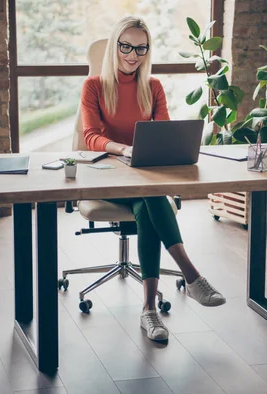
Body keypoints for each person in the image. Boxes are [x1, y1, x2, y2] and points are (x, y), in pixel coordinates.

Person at [80, 16, 225, 342]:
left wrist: (150, 152)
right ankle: (191, 276)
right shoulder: (94, 86)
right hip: (109, 178)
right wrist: (124, 149)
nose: (133, 54)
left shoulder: (153, 87)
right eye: (126, 46)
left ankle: (149, 311)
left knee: (149, 202)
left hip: (145, 178)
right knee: (153, 198)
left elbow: (164, 133)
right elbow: (90, 137)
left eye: (141, 48)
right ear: (115, 46)